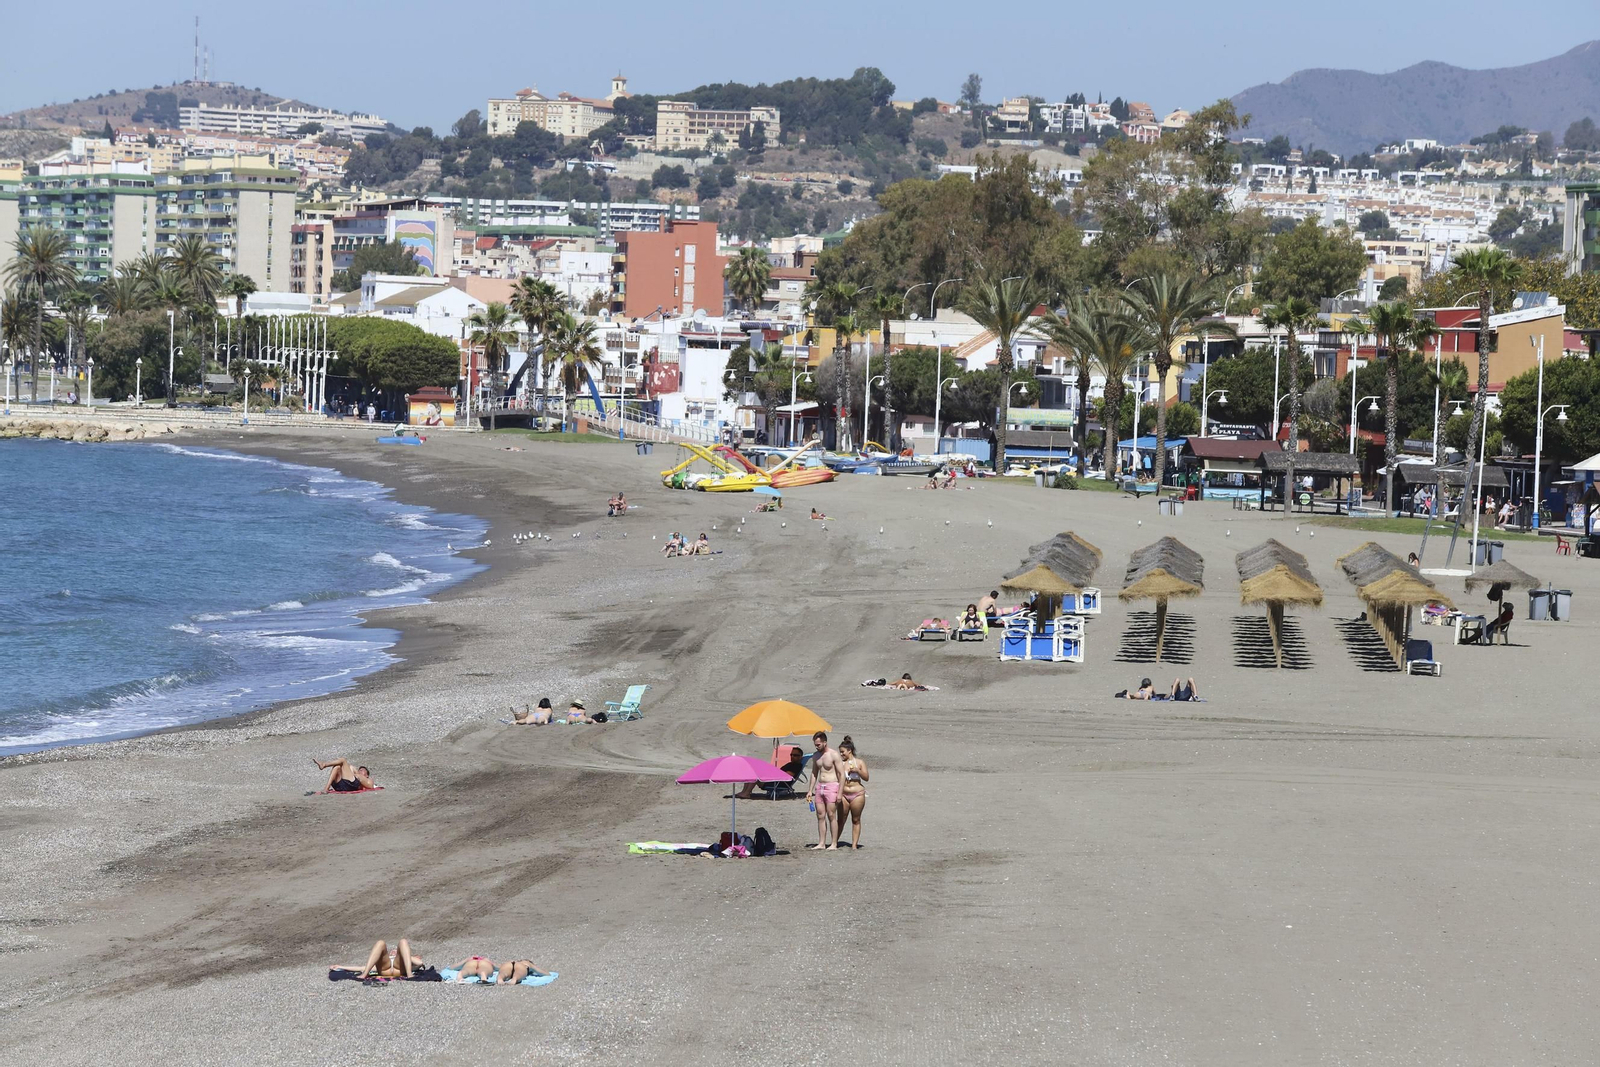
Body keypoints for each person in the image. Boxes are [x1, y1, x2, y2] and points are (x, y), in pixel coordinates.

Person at [804, 731, 844, 850]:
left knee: (831, 815)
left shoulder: (834, 755)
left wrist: (840, 793)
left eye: (818, 744)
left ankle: (833, 843)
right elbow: (814, 773)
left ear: (825, 742)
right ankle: (821, 843)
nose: (817, 746)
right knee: (820, 815)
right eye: (815, 744)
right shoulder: (816, 756)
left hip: (832, 786)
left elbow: (842, 774)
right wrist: (810, 790)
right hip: (820, 787)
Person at [834, 737, 869, 849]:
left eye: (843, 752)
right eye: (840, 752)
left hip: (857, 793)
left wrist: (857, 771)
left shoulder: (859, 762)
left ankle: (854, 845)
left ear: (849, 751)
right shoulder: (840, 763)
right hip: (843, 793)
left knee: (856, 819)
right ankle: (834, 842)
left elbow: (866, 777)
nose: (841, 754)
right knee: (841, 819)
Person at [351, 939, 423, 979]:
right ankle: (364, 974)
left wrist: (404, 955)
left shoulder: (407, 961)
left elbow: (420, 963)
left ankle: (409, 974)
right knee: (380, 943)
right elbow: (361, 968)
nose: (394, 951)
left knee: (403, 941)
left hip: (399, 968)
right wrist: (341, 967)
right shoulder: (387, 958)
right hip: (384, 969)